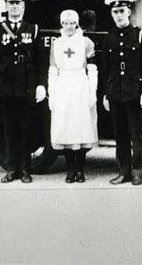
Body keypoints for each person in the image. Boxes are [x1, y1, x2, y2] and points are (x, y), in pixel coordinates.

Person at [0, 0, 48, 183]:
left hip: (27, 85)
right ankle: (11, 169)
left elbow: (41, 61)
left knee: (27, 128)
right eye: (11, 3)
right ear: (6, 6)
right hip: (6, 85)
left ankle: (25, 169)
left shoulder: (33, 29)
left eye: (18, 3)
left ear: (23, 6)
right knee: (9, 128)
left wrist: (41, 85)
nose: (14, 7)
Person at [101, 0, 142, 186]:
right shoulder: (109, 38)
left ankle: (137, 172)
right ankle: (123, 171)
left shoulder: (139, 35)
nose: (119, 16)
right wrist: (105, 95)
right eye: (115, 12)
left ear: (129, 12)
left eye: (122, 11)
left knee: (136, 135)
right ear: (111, 14)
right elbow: (105, 68)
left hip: (134, 93)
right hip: (115, 93)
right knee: (120, 136)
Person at [49, 10, 98, 183]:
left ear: (77, 24)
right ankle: (70, 170)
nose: (69, 27)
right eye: (65, 23)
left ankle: (80, 170)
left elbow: (92, 69)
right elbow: (53, 70)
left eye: (72, 23)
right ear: (61, 25)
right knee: (66, 130)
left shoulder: (86, 43)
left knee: (81, 129)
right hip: (63, 86)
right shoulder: (56, 44)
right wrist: (52, 94)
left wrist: (92, 91)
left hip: (80, 86)